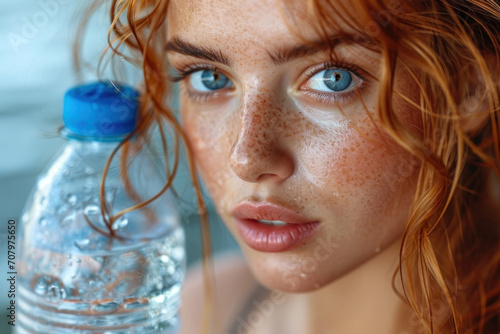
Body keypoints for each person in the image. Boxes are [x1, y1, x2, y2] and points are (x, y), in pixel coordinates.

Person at [86, 0, 500, 333]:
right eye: (210, 78)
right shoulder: (202, 308)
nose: (246, 158)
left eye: (332, 79)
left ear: (470, 88)